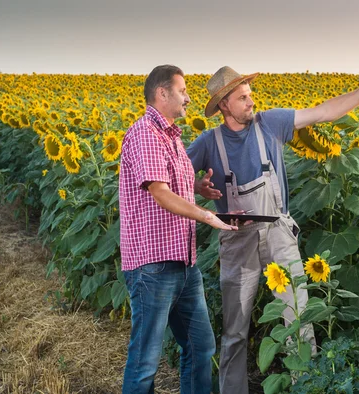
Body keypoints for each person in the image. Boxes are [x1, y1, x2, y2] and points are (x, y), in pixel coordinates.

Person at [186, 64, 359, 394]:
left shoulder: (271, 123)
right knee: (235, 329)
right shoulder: (209, 142)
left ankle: (306, 386)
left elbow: (323, 113)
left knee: (299, 318)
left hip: (279, 230)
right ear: (224, 106)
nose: (252, 102)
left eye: (250, 94)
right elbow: (172, 177)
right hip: (237, 240)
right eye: (243, 97)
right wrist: (197, 185)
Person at [119, 64, 238, 394]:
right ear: (162, 93)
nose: (188, 97)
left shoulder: (170, 137)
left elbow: (169, 185)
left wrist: (195, 186)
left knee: (200, 348)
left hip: (183, 262)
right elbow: (158, 191)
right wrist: (206, 215)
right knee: (145, 361)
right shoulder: (146, 133)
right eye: (182, 90)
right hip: (153, 265)